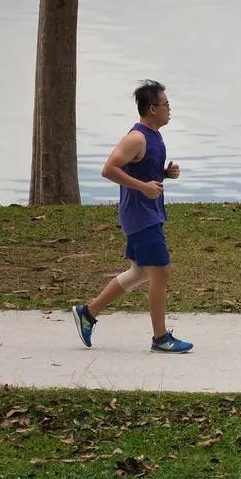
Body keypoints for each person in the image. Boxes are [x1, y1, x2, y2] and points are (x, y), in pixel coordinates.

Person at [71, 80, 193, 353]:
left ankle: (87, 313)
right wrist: (144, 187)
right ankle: (160, 338)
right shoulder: (136, 137)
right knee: (161, 272)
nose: (170, 109)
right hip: (140, 216)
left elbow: (140, 169)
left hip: (148, 213)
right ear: (152, 109)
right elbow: (108, 169)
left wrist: (163, 173)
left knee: (139, 273)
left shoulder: (154, 136)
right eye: (166, 105)